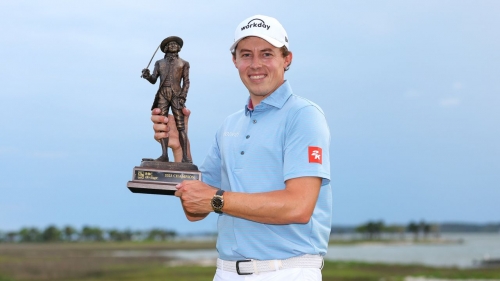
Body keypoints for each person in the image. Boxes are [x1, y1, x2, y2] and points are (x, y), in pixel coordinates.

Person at [152, 15, 331, 280]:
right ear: (234, 61)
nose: (256, 64)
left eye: (267, 54)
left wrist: (217, 199)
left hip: (285, 271)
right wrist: (180, 149)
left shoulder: (304, 115)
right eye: (246, 54)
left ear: (287, 59)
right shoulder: (229, 125)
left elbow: (298, 206)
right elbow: (194, 210)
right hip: (225, 271)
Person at [142, 36, 192, 163]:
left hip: (177, 95)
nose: (174, 46)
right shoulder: (159, 63)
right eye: (171, 44)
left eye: (176, 44)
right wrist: (148, 76)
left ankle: (185, 158)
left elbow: (186, 82)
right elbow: (154, 79)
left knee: (180, 126)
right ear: (165, 48)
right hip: (163, 94)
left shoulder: (184, 63)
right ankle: (164, 155)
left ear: (179, 48)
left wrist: (183, 96)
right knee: (162, 126)